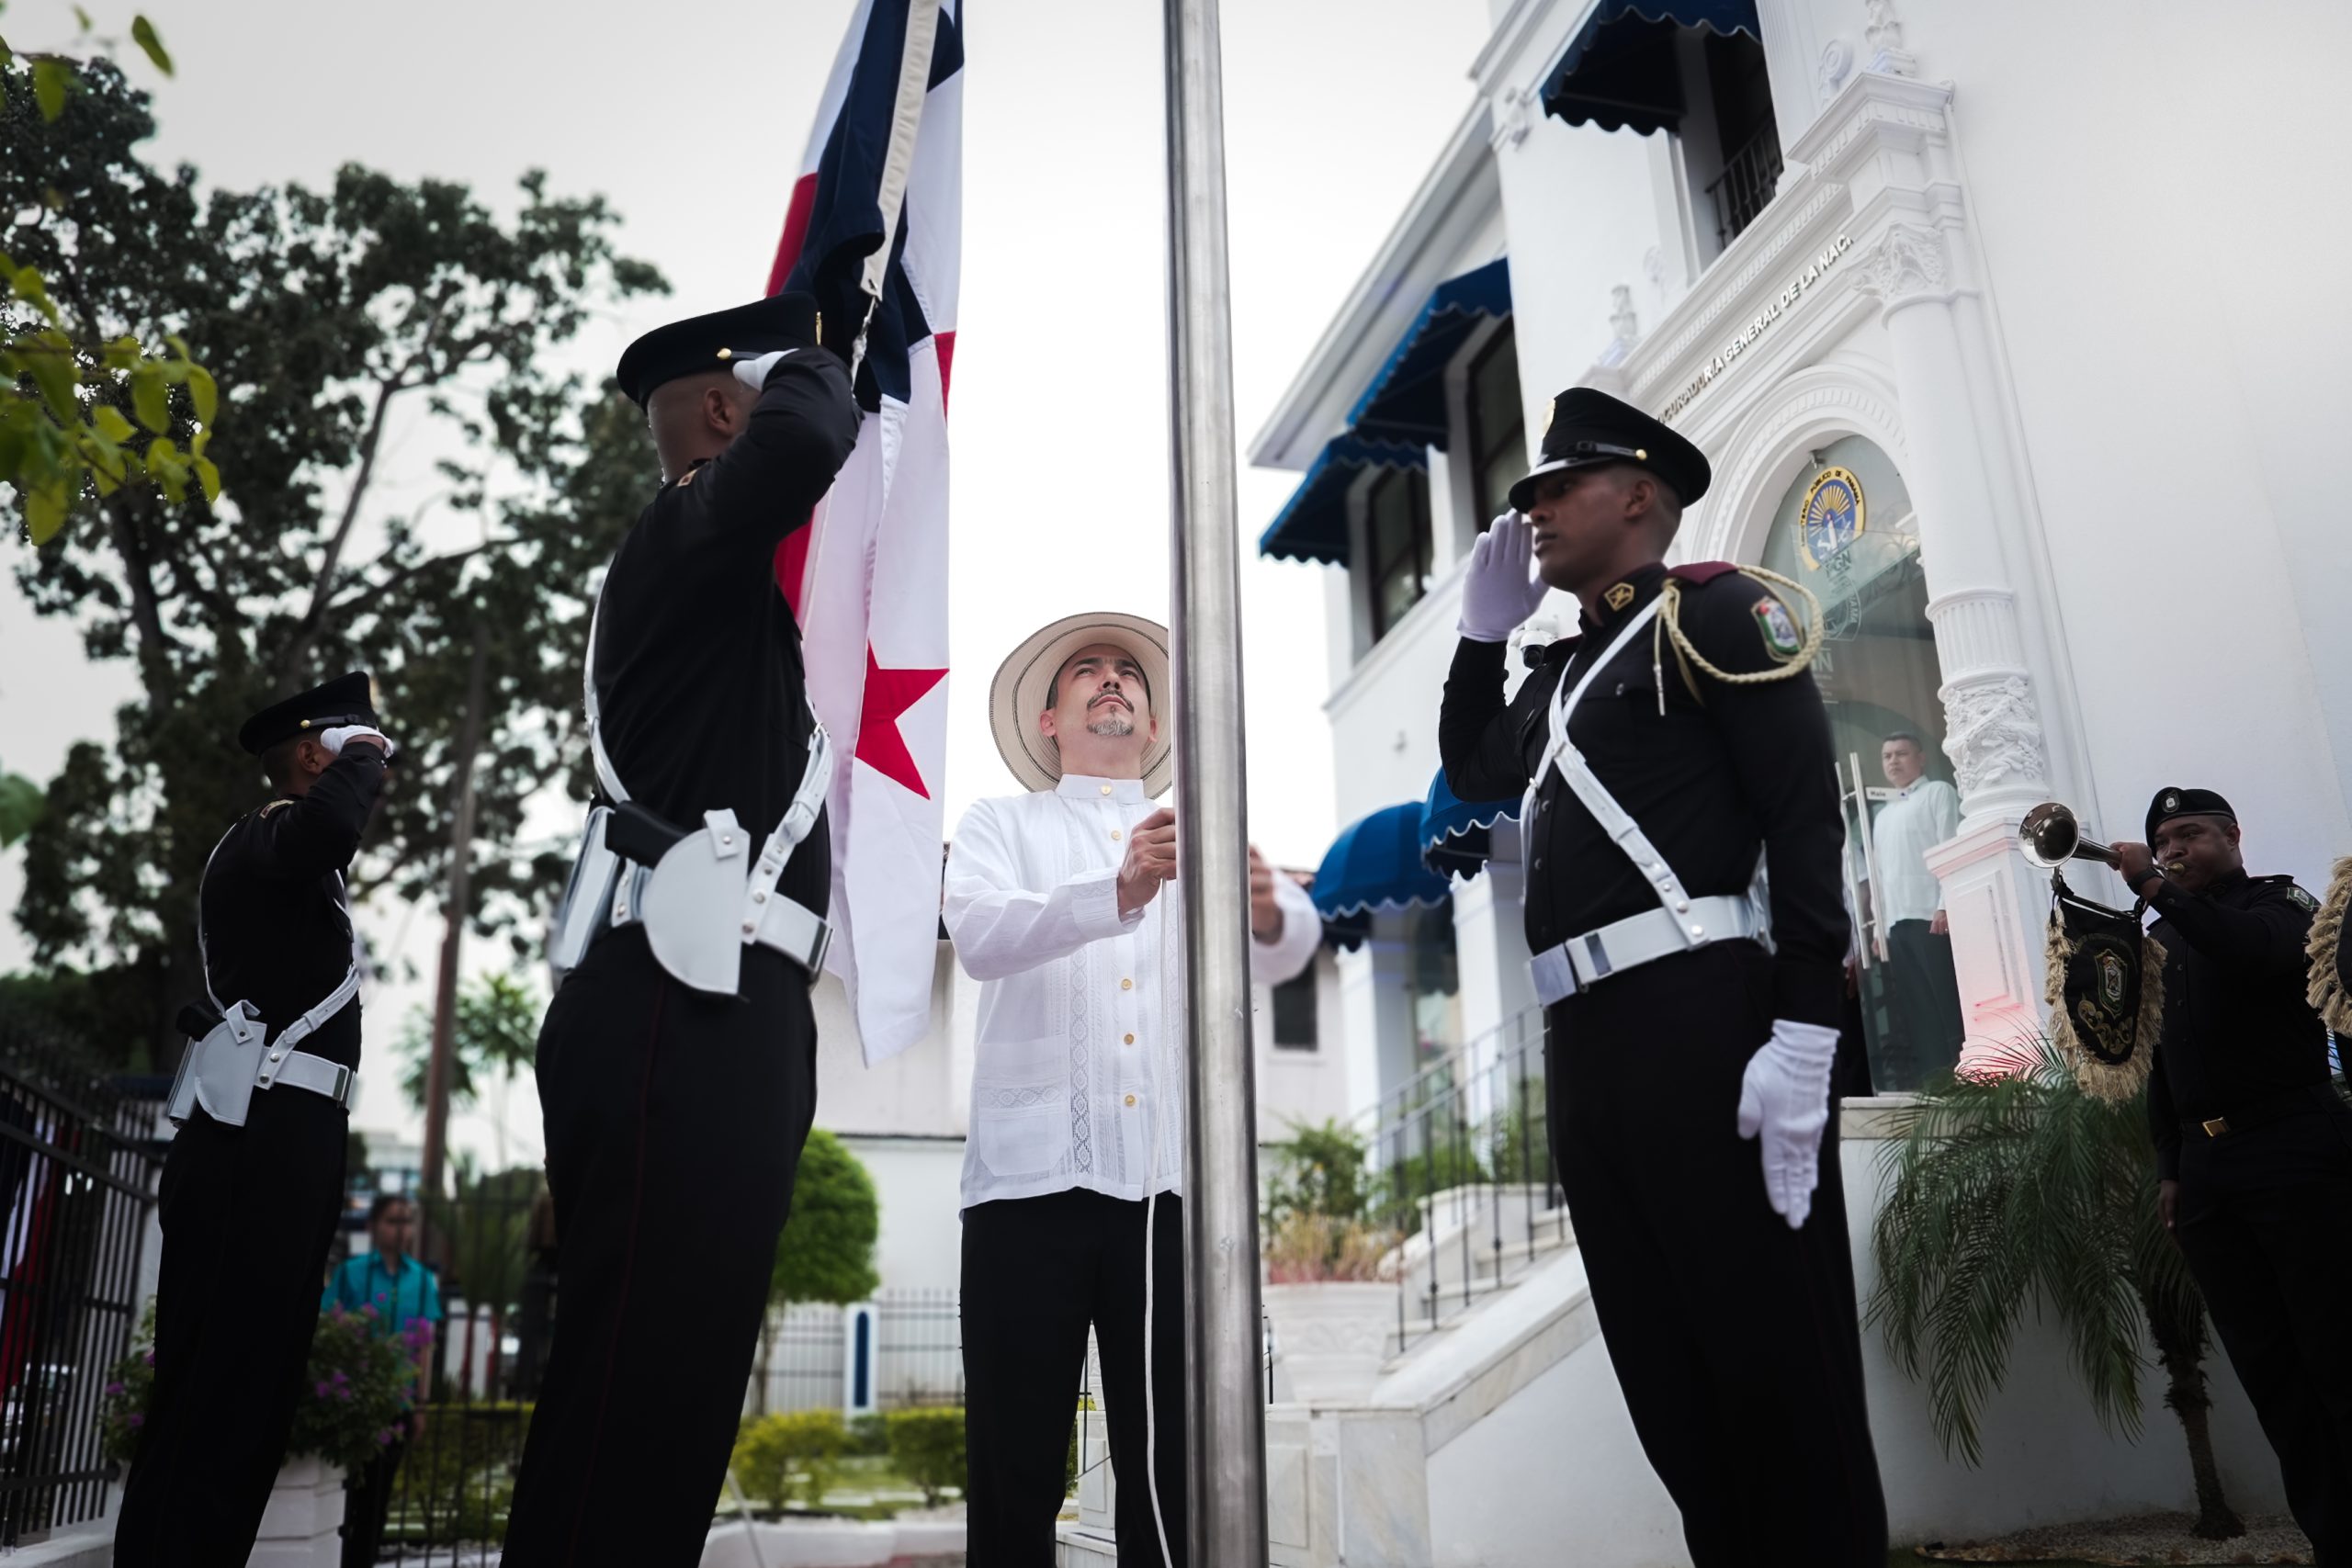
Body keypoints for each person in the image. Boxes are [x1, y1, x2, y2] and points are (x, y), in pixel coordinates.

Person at [1438, 387, 1886, 1565]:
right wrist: (1480, 639)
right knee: (1667, 1373)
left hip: (1704, 1020)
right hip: (1587, 1044)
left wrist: (1803, 1035)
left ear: (1637, 495)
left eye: (1556, 488)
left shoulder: (1720, 615)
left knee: (1770, 1361)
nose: (1531, 512)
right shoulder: (1563, 669)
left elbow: (1802, 823)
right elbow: (1478, 765)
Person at [499, 291, 858, 1565]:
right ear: (723, 406)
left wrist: (809, 351)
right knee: (634, 1393)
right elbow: (810, 440)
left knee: (678, 1388)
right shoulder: (682, 533)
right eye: (764, 383)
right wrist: (819, 343)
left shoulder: (715, 582)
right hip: (675, 1002)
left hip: (722, 999)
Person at [944, 614, 1320, 1566]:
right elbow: (981, 935)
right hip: (1026, 1189)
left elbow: (1281, 959)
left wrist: (1273, 912)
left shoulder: (1202, 834)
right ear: (1048, 718)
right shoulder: (1000, 823)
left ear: (1153, 727)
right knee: (1015, 1463)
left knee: (1174, 1472)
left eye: (1128, 675)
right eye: (1086, 672)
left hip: (1166, 1194)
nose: (1111, 682)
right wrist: (1114, 891)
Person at [116, 673, 393, 1564]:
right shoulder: (266, 836)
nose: (376, 767)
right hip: (256, 1138)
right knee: (220, 1386)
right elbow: (332, 825)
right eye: (355, 746)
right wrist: (363, 756)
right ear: (316, 752)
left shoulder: (296, 864)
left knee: (257, 1389)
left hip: (292, 1137)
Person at [2117, 787, 2352, 1554]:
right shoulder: (2167, 934)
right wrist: (2170, 1166)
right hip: (2209, 1170)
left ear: (2233, 835)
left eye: (2190, 835)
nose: (2175, 849)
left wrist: (2152, 888)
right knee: (2270, 1372)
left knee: (2335, 1351)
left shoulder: (2282, 902)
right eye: (2163, 841)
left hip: (2294, 1148)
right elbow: (2160, 1060)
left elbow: (2253, 952)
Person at [323, 1193, 444, 1568]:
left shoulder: (423, 1281)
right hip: (353, 1401)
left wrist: (420, 1404)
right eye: (393, 1220)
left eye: (407, 1220)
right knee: (341, 1495)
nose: (401, 1228)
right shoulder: (351, 1273)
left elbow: (425, 1346)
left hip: (397, 1403)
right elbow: (331, 1328)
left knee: (377, 1497)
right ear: (374, 1226)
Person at [1865, 730, 1965, 1084]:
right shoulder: (1882, 814)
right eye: (1887, 756)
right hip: (1898, 924)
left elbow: (1950, 849)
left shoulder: (1938, 792)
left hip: (1931, 917)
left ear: (1920, 758)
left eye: (1901, 753)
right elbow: (1880, 876)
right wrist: (1879, 928)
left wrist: (1945, 905)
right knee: (1918, 1009)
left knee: (1945, 1002)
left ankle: (1963, 1077)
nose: (1893, 761)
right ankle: (1935, 1082)